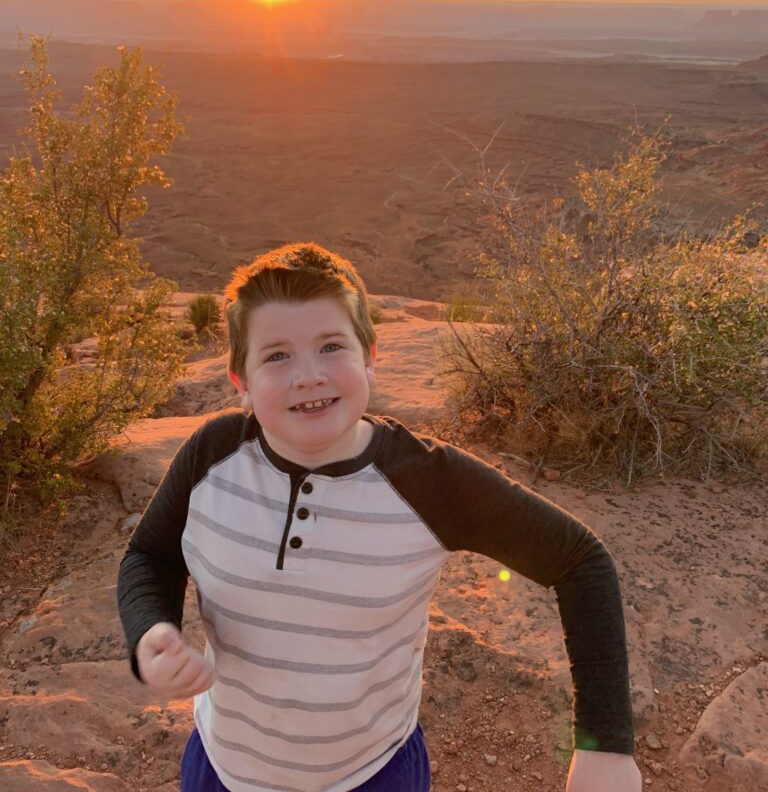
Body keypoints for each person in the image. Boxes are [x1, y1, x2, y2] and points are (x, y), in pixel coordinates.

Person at [117, 242, 642, 792]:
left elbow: (580, 562)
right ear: (240, 381)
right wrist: (151, 629)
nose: (308, 376)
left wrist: (605, 749)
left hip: (372, 776)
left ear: (369, 353)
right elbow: (150, 555)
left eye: (331, 346)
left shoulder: (427, 480)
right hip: (222, 770)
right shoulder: (211, 454)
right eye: (276, 355)